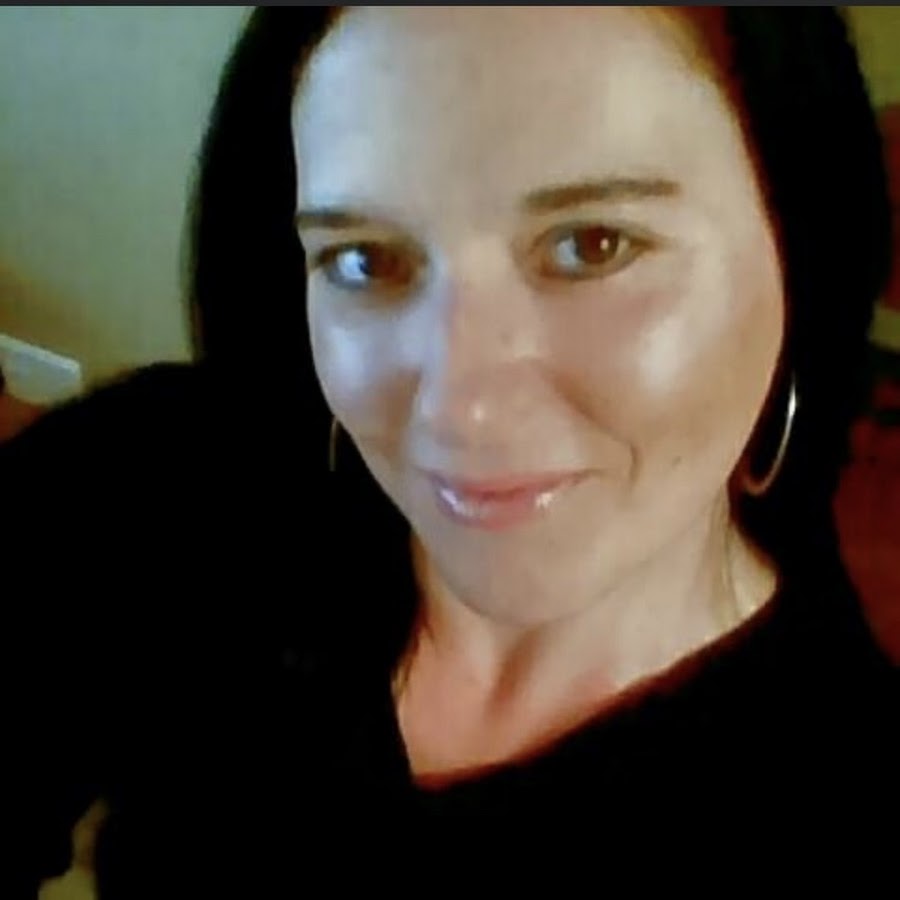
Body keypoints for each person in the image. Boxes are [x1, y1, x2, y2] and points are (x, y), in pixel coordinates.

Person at [4, 7, 898, 896]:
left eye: (593, 246)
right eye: (364, 260)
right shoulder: (163, 483)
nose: (457, 410)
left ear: (801, 251)